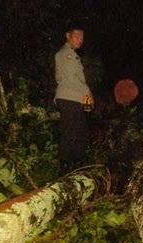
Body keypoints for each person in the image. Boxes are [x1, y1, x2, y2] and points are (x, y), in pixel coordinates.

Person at [54, 22, 93, 176]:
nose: (80, 39)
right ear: (67, 36)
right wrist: (88, 93)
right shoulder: (67, 54)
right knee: (73, 132)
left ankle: (74, 166)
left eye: (82, 36)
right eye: (77, 35)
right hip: (69, 97)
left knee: (76, 131)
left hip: (74, 97)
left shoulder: (72, 54)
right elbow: (71, 78)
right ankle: (67, 166)